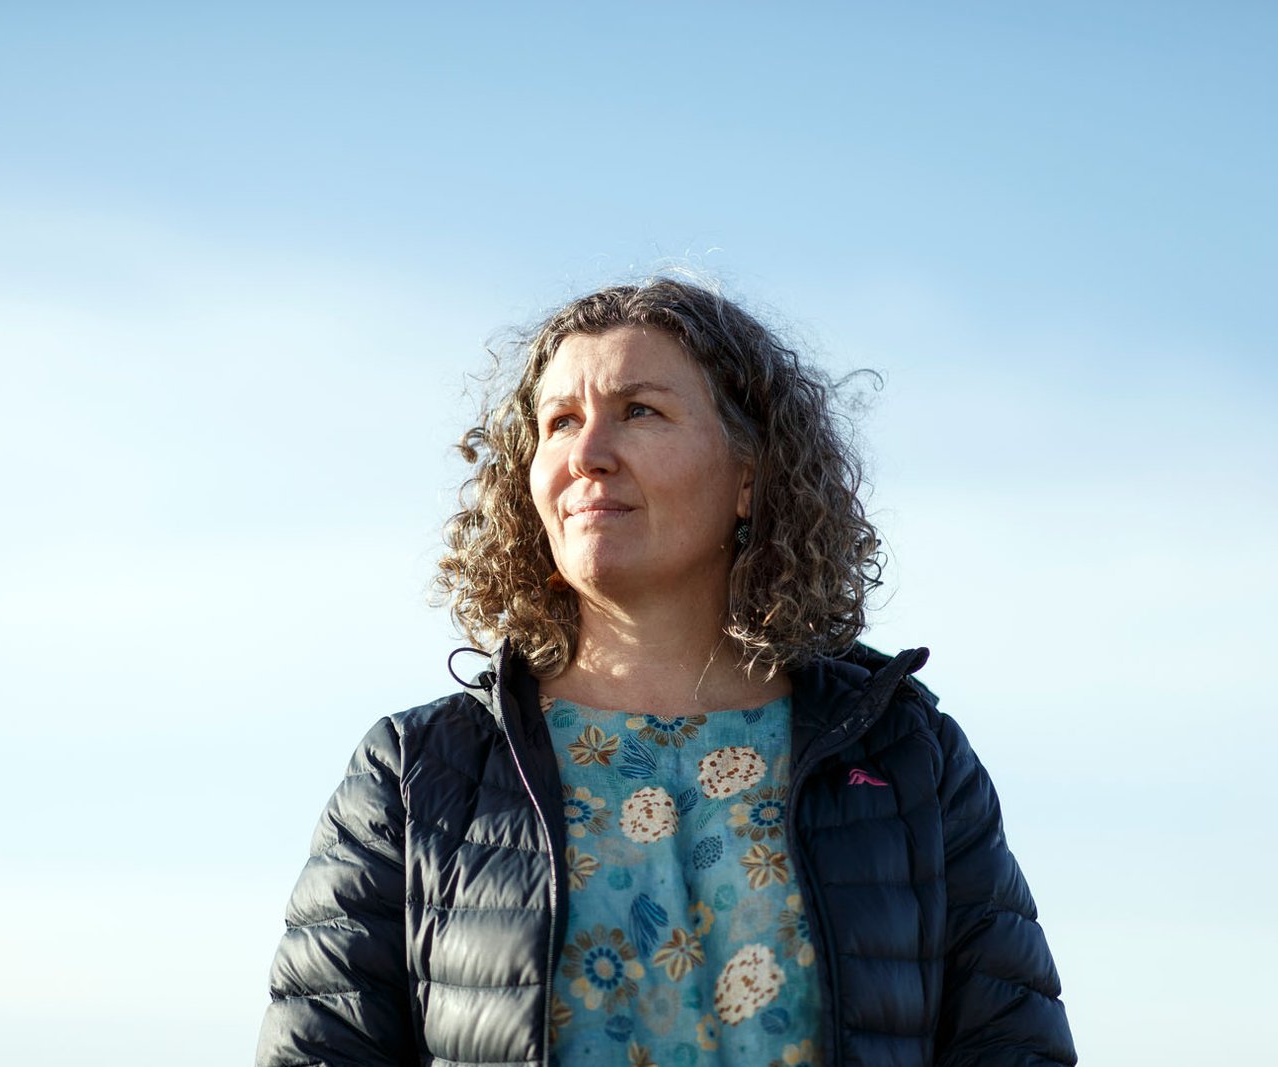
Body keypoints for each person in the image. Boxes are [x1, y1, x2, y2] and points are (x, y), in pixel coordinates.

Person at [256, 278, 1076, 1067]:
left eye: (639, 411)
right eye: (560, 421)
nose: (588, 454)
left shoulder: (908, 758)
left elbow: (1014, 1044)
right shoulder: (415, 772)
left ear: (750, 476)